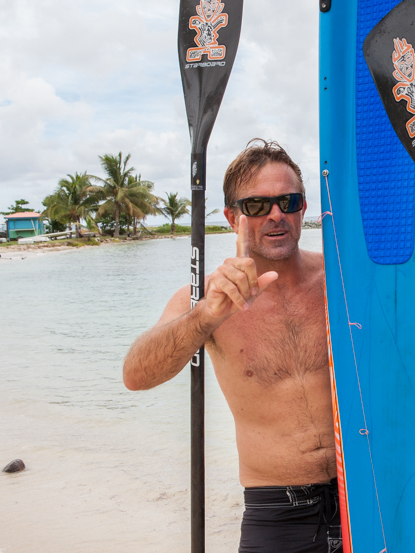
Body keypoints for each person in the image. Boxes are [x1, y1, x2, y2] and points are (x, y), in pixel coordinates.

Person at [122, 139, 340, 553]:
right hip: (277, 512)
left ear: (303, 209)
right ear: (231, 217)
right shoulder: (203, 299)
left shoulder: (343, 277)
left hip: (364, 493)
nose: (276, 215)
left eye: (288, 201)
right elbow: (136, 375)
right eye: (258, 205)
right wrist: (205, 316)